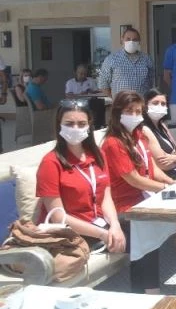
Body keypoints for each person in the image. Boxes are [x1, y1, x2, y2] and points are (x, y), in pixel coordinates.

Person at [103, 91, 176, 291]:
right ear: (117, 112)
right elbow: (134, 179)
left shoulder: (138, 136)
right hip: (127, 205)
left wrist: (172, 183)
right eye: (129, 111)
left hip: (145, 197)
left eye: (138, 111)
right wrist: (164, 188)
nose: (134, 115)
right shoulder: (113, 143)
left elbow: (152, 168)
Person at [35, 100, 126, 255]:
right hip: (70, 233)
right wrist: (103, 234)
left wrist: (115, 225)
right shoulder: (50, 162)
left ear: (89, 125)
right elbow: (58, 216)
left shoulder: (98, 155)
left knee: (140, 232)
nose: (76, 128)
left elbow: (106, 197)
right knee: (129, 245)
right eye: (69, 124)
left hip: (99, 224)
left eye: (82, 124)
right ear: (59, 125)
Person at [98, 27, 155, 98]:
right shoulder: (111, 59)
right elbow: (103, 84)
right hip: (120, 103)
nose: (131, 42)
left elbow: (151, 82)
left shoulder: (147, 59)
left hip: (141, 103)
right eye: (128, 39)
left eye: (135, 40)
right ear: (122, 40)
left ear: (139, 42)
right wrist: (115, 99)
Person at [141, 89, 176, 180]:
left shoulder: (162, 125)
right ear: (145, 105)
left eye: (163, 104)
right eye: (155, 103)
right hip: (163, 178)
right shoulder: (145, 129)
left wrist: (175, 157)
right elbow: (163, 164)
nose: (159, 106)